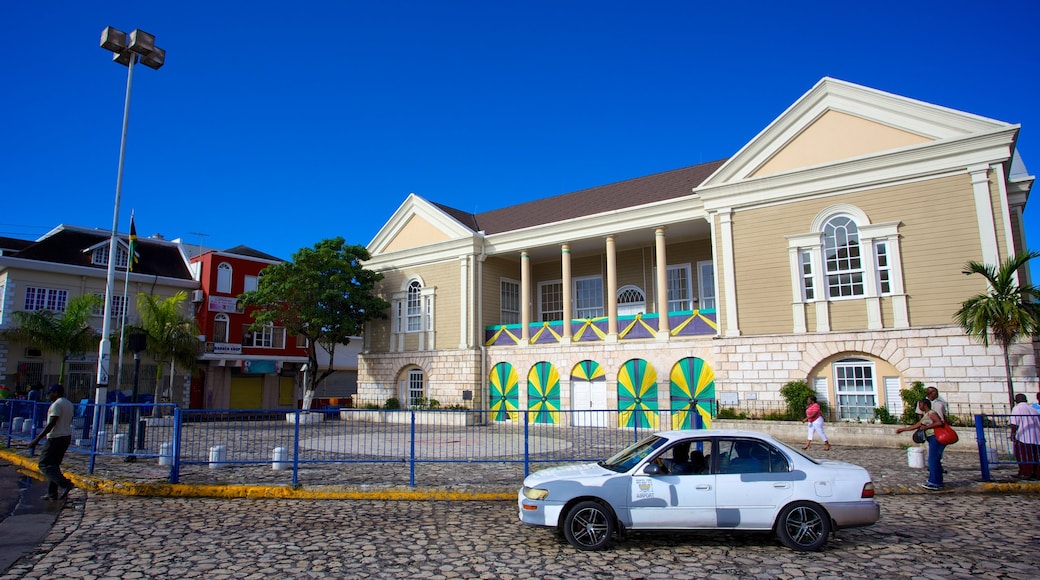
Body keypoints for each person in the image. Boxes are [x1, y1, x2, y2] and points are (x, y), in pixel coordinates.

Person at [27, 384, 75, 501]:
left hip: (55, 437)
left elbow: (52, 423)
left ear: (57, 393)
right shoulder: (69, 403)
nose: (48, 396)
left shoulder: (56, 405)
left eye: (50, 393)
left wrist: (37, 439)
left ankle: (65, 484)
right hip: (66, 436)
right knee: (54, 465)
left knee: (44, 464)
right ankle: (51, 493)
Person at [896, 399, 946, 490]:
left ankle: (934, 482)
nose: (919, 407)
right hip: (931, 438)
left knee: (933, 460)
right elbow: (916, 425)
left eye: (920, 405)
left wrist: (927, 427)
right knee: (935, 460)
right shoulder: (926, 415)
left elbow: (939, 422)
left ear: (925, 405)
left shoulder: (932, 413)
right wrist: (902, 430)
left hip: (936, 438)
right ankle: (937, 481)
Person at [1010, 393, 1040, 480]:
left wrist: (1013, 434)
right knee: (1036, 456)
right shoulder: (1033, 409)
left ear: (1016, 401)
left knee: (1023, 455)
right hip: (1036, 436)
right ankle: (1036, 473)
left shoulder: (1017, 408)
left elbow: (1014, 423)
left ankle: (1025, 472)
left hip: (1024, 436)